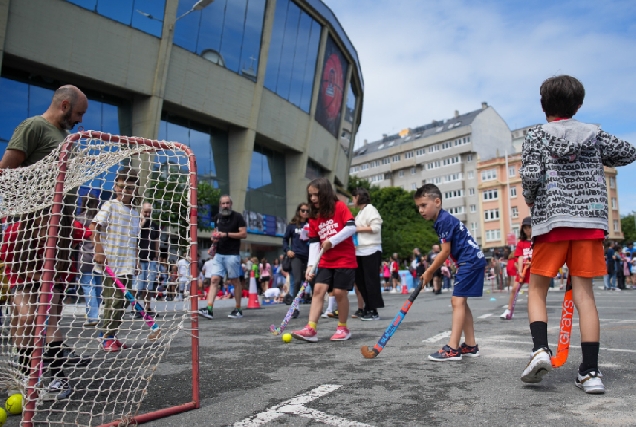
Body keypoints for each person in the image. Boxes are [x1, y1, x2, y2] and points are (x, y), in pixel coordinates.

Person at [518, 75, 636, 392]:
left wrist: (531, 198)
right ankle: (591, 372)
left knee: (538, 289)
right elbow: (628, 152)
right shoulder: (594, 134)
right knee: (586, 296)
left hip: (552, 221)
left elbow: (530, 174)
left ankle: (540, 349)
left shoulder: (536, 136)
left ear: (544, 106)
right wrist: (597, 155)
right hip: (589, 223)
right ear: (578, 105)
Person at [414, 184, 486, 361]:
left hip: (470, 261)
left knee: (457, 301)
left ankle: (453, 348)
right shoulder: (442, 220)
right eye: (418, 207)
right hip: (470, 261)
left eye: (424, 205)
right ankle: (470, 345)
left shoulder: (443, 220)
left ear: (437, 202)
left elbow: (445, 251)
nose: (420, 210)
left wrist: (429, 271)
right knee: (461, 302)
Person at [291, 177, 357, 342]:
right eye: (310, 195)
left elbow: (351, 227)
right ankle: (311, 328)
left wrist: (332, 241)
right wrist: (311, 265)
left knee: (340, 293)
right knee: (318, 290)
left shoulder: (340, 207)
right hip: (325, 260)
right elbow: (314, 242)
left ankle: (343, 328)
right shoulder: (313, 216)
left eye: (316, 195)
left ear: (325, 193)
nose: (312, 199)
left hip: (344, 259)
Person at [91, 168, 142, 352]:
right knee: (113, 300)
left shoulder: (135, 214)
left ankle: (109, 334)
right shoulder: (110, 205)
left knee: (124, 301)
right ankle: (106, 337)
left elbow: (134, 240)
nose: (125, 191)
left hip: (127, 263)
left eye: (130, 188)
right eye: (122, 186)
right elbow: (94, 226)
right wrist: (99, 250)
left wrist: (136, 261)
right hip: (110, 262)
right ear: (115, 186)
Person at [198, 195, 247, 319]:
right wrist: (213, 239)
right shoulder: (218, 217)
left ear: (231, 204)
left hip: (232, 254)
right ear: (220, 205)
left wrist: (225, 234)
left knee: (235, 281)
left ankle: (238, 309)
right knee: (214, 280)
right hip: (219, 254)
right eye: (223, 203)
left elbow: (243, 234)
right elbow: (215, 231)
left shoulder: (238, 217)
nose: (225, 205)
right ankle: (209, 309)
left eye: (227, 203)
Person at [352, 188, 384, 321]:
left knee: (371, 281)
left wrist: (357, 229)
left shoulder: (370, 209)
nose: (352, 200)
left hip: (371, 249)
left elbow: (376, 227)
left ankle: (373, 309)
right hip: (360, 250)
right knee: (360, 281)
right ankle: (367, 306)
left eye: (353, 197)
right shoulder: (360, 213)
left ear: (359, 197)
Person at [77, 193, 102, 327]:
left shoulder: (80, 219)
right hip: (100, 256)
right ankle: (95, 313)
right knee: (97, 287)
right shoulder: (100, 219)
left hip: (85, 257)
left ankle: (92, 316)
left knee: (88, 286)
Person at [501, 216, 532, 319]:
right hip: (523, 270)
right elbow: (520, 257)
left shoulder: (537, 242)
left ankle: (535, 311)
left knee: (534, 292)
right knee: (515, 289)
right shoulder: (521, 243)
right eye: (525, 228)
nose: (527, 230)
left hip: (534, 270)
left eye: (529, 227)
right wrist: (519, 270)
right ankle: (509, 310)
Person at [282, 203, 310, 318]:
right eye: (303, 210)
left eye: (307, 211)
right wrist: (287, 250)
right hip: (296, 256)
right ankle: (295, 307)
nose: (305, 213)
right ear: (298, 211)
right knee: (297, 280)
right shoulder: (292, 226)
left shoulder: (312, 224)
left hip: (310, 256)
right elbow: (285, 239)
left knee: (313, 281)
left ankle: (319, 308)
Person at [134, 202, 160, 317]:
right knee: (138, 286)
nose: (148, 214)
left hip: (151, 259)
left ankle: (147, 307)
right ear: (141, 211)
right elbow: (134, 234)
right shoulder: (136, 223)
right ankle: (135, 308)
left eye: (149, 212)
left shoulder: (154, 225)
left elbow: (156, 240)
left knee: (149, 286)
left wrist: (157, 255)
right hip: (139, 258)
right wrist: (142, 222)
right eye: (145, 212)